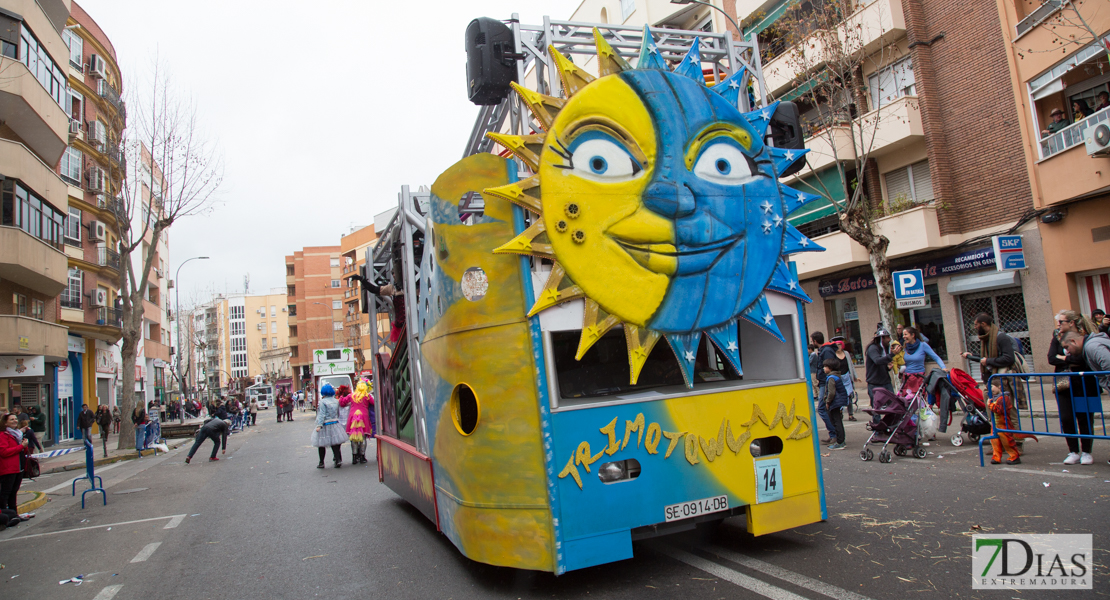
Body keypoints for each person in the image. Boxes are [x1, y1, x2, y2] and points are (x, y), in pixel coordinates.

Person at [1049, 311, 1099, 465]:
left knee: (1084, 417)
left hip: (1085, 383)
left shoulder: (1086, 337)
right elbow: (1051, 358)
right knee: (1066, 417)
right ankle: (1073, 451)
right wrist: (1071, 360)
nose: (1059, 325)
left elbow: (1083, 359)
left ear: (1071, 322)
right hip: (1063, 383)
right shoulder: (1057, 337)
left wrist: (1064, 358)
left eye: (1061, 322)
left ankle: (1086, 452)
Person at [1062, 327, 1110, 466]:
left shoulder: (1092, 347)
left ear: (1073, 341)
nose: (1067, 352)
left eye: (1067, 347)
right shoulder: (1092, 345)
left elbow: (1108, 364)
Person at [960, 313, 1025, 408]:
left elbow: (1008, 358)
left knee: (1007, 411)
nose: (975, 327)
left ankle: (1010, 423)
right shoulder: (987, 338)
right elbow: (986, 357)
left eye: (976, 325)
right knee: (994, 408)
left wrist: (988, 361)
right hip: (991, 379)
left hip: (1002, 380)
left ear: (983, 324)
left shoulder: (1001, 337)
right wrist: (972, 355)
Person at [986, 383, 1036, 465]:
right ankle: (996, 457)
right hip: (995, 425)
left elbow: (998, 409)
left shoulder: (1004, 398)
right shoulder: (995, 398)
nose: (989, 389)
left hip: (1003, 424)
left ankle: (1014, 456)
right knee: (995, 442)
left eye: (991, 386)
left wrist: (989, 404)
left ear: (999, 386)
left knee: (1008, 442)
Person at [0, 413, 30, 518]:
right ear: (5, 422)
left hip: (19, 467)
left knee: (14, 492)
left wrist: (24, 446)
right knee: (6, 493)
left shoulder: (17, 434)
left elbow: (22, 450)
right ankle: (4, 516)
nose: (14, 421)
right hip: (8, 468)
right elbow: (3, 452)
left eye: (15, 419)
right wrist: (20, 446)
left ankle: (14, 515)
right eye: (11, 419)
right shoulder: (3, 435)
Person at [312, 384, 346, 469]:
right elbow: (338, 413)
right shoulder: (336, 401)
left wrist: (319, 425)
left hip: (325, 424)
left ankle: (321, 462)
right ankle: (338, 460)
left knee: (321, 444)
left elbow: (321, 415)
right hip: (335, 423)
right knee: (335, 443)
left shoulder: (322, 402)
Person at [345, 377, 375, 464]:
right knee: (363, 438)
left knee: (353, 438)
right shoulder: (367, 396)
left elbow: (342, 402)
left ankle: (354, 457)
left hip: (353, 417)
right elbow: (374, 403)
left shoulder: (351, 396)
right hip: (363, 417)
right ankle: (362, 457)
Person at [821, 359, 849, 450]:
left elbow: (831, 392)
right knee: (837, 421)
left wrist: (828, 402)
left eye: (825, 367)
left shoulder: (831, 378)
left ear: (830, 368)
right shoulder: (837, 376)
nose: (824, 368)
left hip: (835, 403)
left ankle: (840, 442)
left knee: (836, 422)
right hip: (839, 402)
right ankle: (840, 441)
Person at [864, 328, 894, 403]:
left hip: (886, 382)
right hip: (875, 384)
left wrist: (887, 368)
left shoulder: (885, 348)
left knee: (892, 406)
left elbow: (882, 363)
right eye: (887, 337)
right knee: (877, 408)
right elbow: (877, 361)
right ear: (882, 338)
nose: (889, 339)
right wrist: (892, 355)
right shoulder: (873, 348)